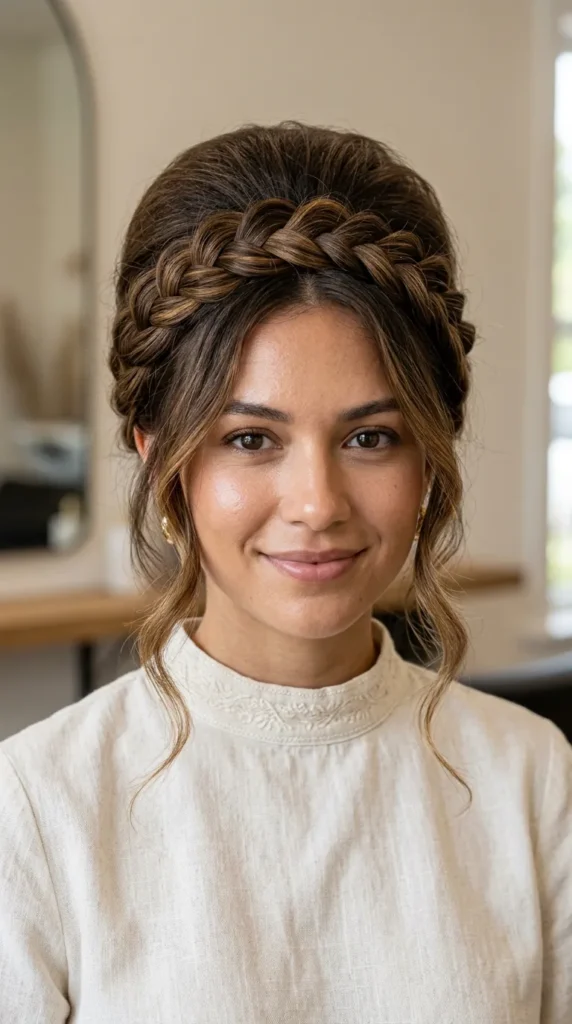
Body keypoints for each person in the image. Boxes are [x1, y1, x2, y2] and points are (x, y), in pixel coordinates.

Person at [0, 123, 570, 1023]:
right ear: (162, 463)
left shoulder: (533, 782)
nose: (317, 502)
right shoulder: (38, 808)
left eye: (369, 437)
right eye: (251, 439)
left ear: (429, 456)